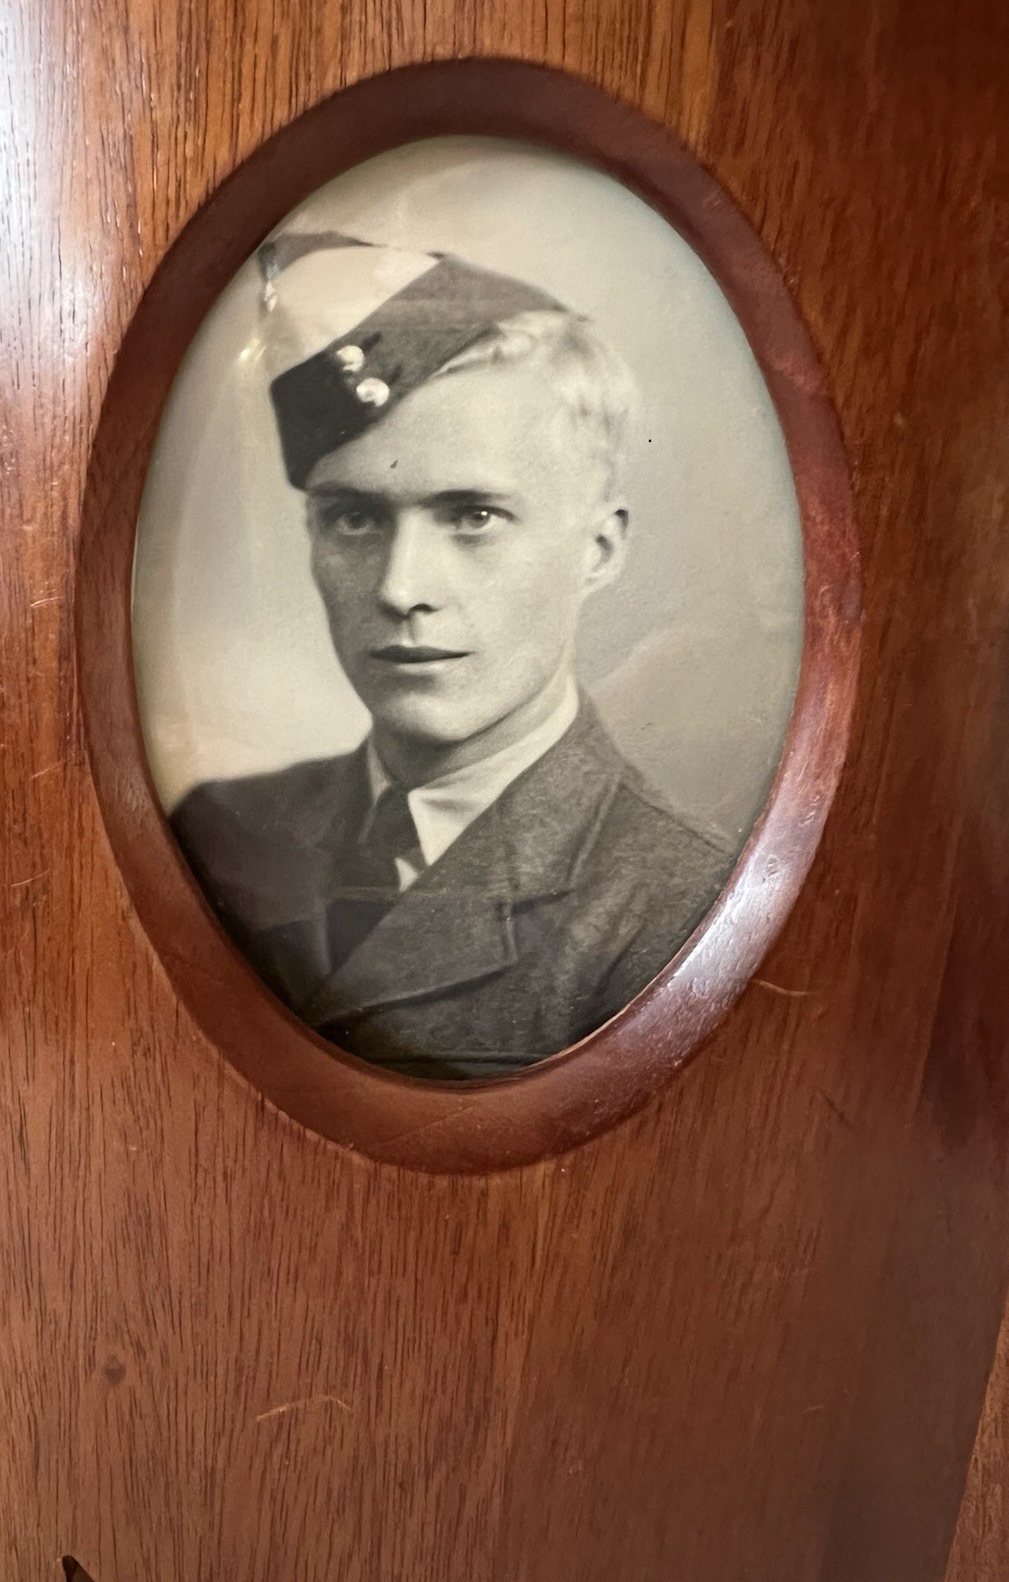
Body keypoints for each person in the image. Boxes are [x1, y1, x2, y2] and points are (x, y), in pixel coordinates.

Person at [171, 232, 733, 1079]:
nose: (401, 588)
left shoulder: (680, 907)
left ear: (601, 549)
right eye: (355, 518)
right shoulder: (221, 830)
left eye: (472, 517)